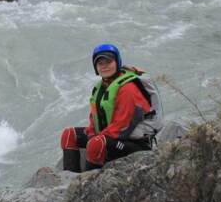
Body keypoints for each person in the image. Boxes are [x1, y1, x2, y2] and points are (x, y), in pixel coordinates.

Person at [59, 43, 156, 173]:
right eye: (100, 63)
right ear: (96, 67)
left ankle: (86, 184)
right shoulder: (100, 88)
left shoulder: (128, 89)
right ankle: (70, 177)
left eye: (108, 61)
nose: (104, 66)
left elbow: (122, 126)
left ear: (117, 62)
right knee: (69, 134)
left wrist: (96, 140)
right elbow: (94, 119)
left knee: (95, 144)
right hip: (110, 137)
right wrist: (93, 134)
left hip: (135, 143)